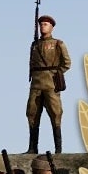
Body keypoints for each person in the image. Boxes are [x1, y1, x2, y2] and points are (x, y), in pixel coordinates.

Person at [26, 15, 72, 154]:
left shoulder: (58, 43)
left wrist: (56, 74)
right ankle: (32, 148)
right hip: (36, 84)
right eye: (41, 24)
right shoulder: (35, 45)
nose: (42, 27)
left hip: (50, 84)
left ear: (52, 27)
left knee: (55, 113)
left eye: (46, 24)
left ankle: (58, 149)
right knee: (32, 114)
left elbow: (67, 63)